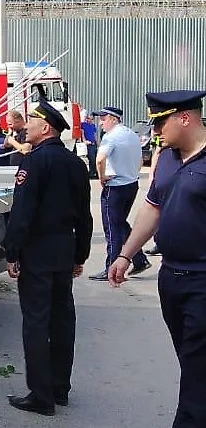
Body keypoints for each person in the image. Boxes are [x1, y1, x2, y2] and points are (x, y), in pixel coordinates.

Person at [109, 90, 206, 428]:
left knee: (196, 367)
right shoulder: (165, 157)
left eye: (161, 123)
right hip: (172, 277)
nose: (156, 132)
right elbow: (153, 208)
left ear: (185, 118)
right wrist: (125, 253)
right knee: (191, 360)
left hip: (202, 278)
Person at [1, 100, 93, 417]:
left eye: (31, 122)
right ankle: (59, 388)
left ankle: (41, 396)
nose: (25, 126)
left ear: (46, 128)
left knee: (37, 322)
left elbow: (22, 212)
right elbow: (84, 215)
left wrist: (11, 252)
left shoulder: (34, 162)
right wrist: (80, 253)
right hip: (63, 247)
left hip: (38, 250)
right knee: (62, 319)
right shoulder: (75, 164)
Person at [88, 107, 150, 281]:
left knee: (112, 228)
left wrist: (102, 177)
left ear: (114, 119)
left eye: (104, 119)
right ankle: (139, 259)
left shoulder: (111, 137)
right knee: (120, 224)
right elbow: (139, 160)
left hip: (115, 186)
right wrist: (131, 173)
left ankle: (111, 268)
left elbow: (99, 159)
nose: (101, 123)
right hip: (131, 184)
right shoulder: (131, 134)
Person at [80, 111, 99, 179]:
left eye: (91, 119)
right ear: (86, 119)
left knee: (96, 159)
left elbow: (94, 135)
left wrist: (96, 142)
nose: (90, 120)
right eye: (89, 119)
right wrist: (84, 141)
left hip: (94, 144)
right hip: (88, 144)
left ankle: (95, 172)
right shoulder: (83, 125)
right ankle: (91, 173)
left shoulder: (93, 126)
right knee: (91, 159)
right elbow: (82, 133)